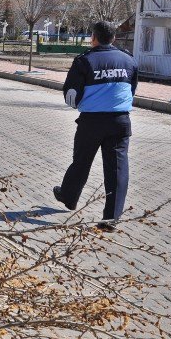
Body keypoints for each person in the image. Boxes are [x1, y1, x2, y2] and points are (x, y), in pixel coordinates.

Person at [53, 20, 138, 232]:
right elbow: (132, 89)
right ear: (114, 38)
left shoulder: (84, 61)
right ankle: (110, 219)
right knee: (117, 169)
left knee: (81, 161)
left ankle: (69, 197)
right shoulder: (129, 60)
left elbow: (71, 96)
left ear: (93, 37)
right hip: (120, 121)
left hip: (91, 122)